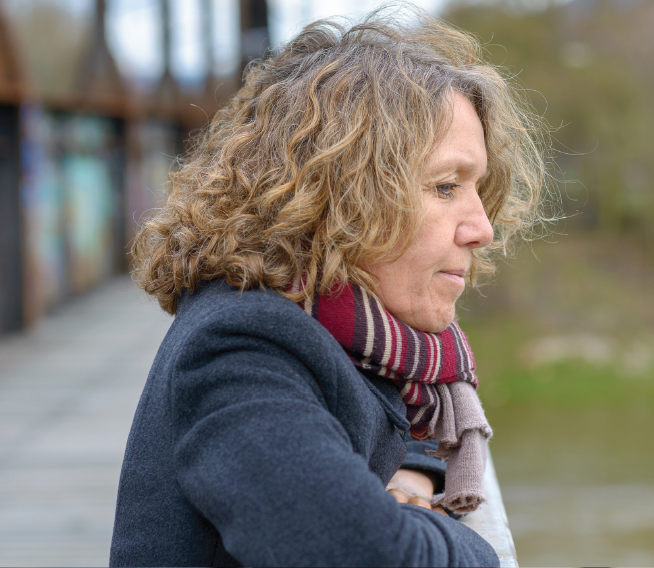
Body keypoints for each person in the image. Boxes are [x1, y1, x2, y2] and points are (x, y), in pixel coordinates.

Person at [110, 6, 545, 567]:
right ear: (338, 196)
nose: (482, 227)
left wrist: (413, 475)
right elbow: (353, 551)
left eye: (477, 188)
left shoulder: (364, 339)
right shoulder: (241, 348)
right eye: (444, 187)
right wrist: (471, 549)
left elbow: (385, 421)